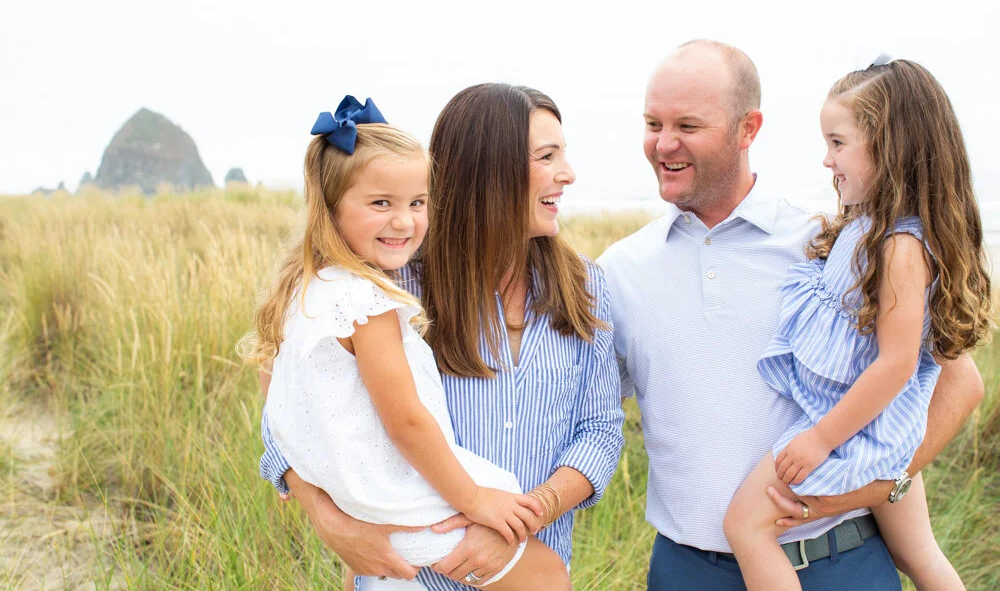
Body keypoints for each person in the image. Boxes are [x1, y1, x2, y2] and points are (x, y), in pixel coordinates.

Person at [597, 40, 986, 590]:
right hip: (686, 572)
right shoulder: (617, 270)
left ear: (747, 129)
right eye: (652, 123)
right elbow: (582, 410)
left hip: (840, 562)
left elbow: (956, 382)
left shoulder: (824, 246)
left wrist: (869, 489)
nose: (664, 144)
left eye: (687, 124)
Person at [258, 85, 626, 590]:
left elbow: (600, 432)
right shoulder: (391, 285)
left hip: (522, 569)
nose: (568, 173)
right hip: (409, 578)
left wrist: (521, 519)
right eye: (547, 156)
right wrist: (332, 521)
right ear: (488, 173)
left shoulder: (585, 286)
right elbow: (288, 402)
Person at [723, 58, 993, 590]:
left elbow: (895, 363)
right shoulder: (875, 227)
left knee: (746, 526)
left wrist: (821, 439)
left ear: (889, 148)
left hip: (852, 429)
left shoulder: (899, 246)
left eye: (838, 143)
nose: (827, 159)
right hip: (880, 427)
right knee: (921, 554)